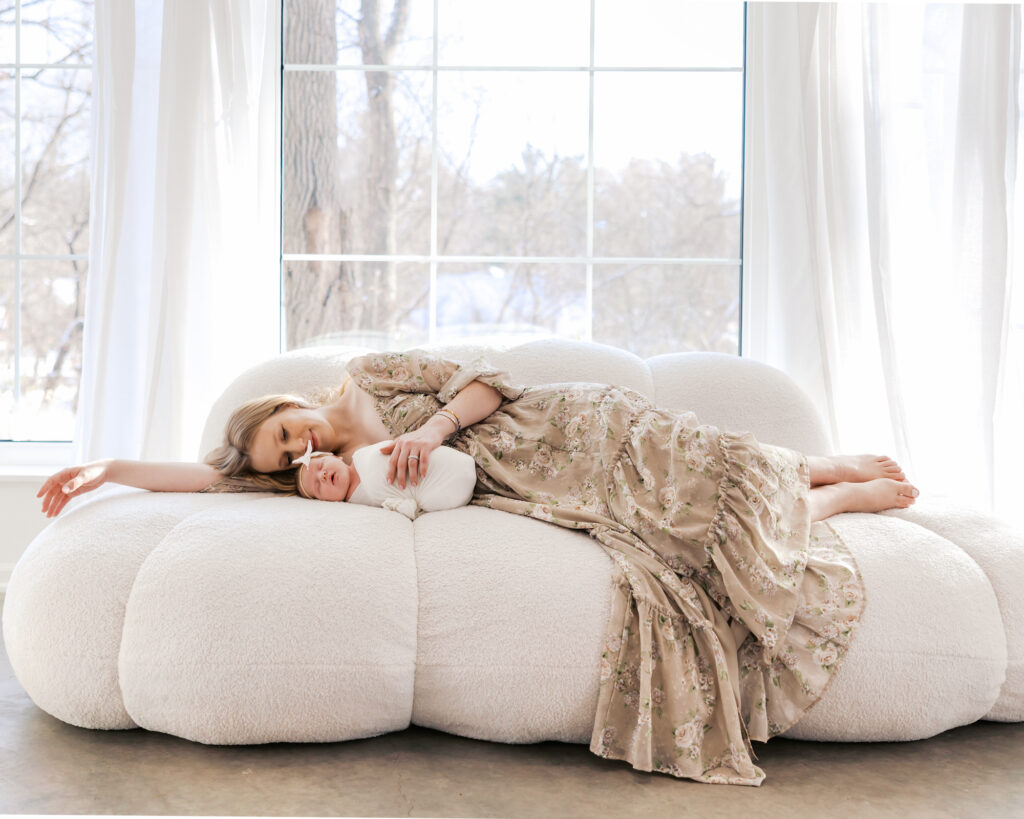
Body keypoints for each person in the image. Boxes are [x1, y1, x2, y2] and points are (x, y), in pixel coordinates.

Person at [37, 349, 918, 786]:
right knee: (678, 538)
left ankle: (819, 470)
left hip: (556, 429)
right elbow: (201, 475)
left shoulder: (362, 379)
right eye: (284, 452)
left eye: (288, 427)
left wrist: (426, 430)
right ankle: (828, 496)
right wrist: (106, 467)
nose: (300, 444)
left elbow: (489, 380)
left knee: (685, 457)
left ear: (290, 403)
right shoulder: (319, 480)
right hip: (528, 486)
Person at [293, 439, 478, 519]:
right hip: (443, 488)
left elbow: (393, 445)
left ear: (336, 457)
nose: (322, 475)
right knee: (427, 495)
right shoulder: (357, 503)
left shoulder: (361, 455)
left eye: (320, 466)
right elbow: (400, 506)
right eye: (317, 485)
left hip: (442, 460)